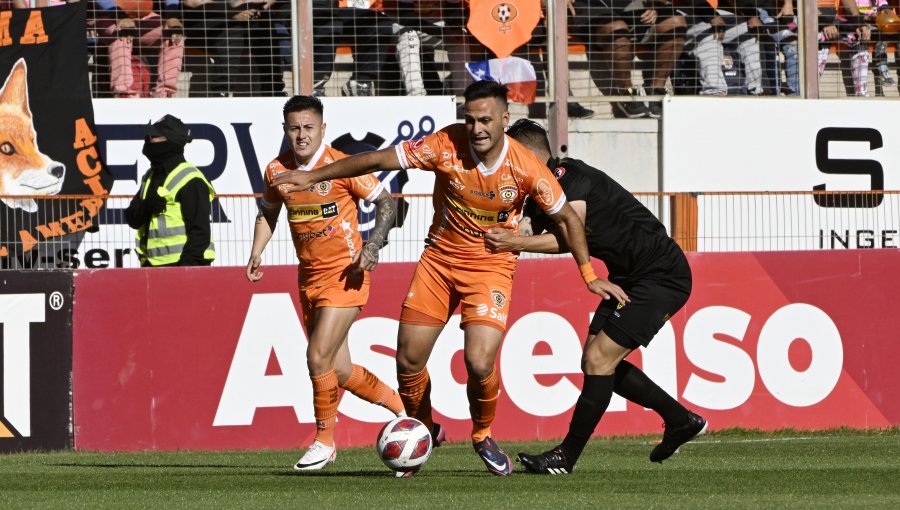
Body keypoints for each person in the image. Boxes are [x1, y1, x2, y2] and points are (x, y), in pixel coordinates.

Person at [270, 81, 616, 477]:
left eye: (485, 119)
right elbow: (375, 162)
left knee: (478, 360)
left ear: (505, 119)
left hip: (490, 266)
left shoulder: (526, 166)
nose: (477, 128)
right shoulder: (443, 145)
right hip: (438, 260)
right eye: (469, 119)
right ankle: (422, 430)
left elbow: (568, 219)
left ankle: (482, 434)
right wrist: (315, 177)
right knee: (408, 358)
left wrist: (588, 274)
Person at [485, 119, 706, 474]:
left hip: (663, 275)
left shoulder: (569, 177)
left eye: (511, 157)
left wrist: (515, 242)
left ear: (528, 155)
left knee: (600, 360)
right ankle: (681, 421)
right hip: (629, 278)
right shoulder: (538, 193)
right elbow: (531, 230)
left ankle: (566, 457)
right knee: (595, 362)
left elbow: (570, 237)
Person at [246, 95, 405, 471]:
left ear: (323, 129)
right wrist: (257, 251)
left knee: (316, 357)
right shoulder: (276, 170)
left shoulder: (341, 165)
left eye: (308, 127)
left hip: (346, 275)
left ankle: (324, 441)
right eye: (294, 128)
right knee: (341, 370)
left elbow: (387, 203)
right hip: (309, 278)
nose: (301, 135)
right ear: (285, 130)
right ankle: (407, 412)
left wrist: (374, 246)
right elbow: (268, 212)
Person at [568, 0, 687, 118]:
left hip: (636, 11)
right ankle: (626, 94)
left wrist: (655, 7)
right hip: (596, 11)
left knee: (677, 23)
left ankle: (657, 91)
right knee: (618, 28)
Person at [125, 114, 215, 267]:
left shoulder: (190, 179)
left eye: (153, 136)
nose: (148, 139)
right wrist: (146, 207)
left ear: (170, 141)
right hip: (153, 266)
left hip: (183, 267)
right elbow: (132, 218)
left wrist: (184, 270)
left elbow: (200, 233)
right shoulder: (150, 176)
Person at [92, 0, 186, 98]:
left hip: (144, 16)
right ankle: (124, 94)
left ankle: (164, 93)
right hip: (109, 16)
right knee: (122, 33)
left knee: (174, 34)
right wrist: (120, 16)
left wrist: (172, 16)